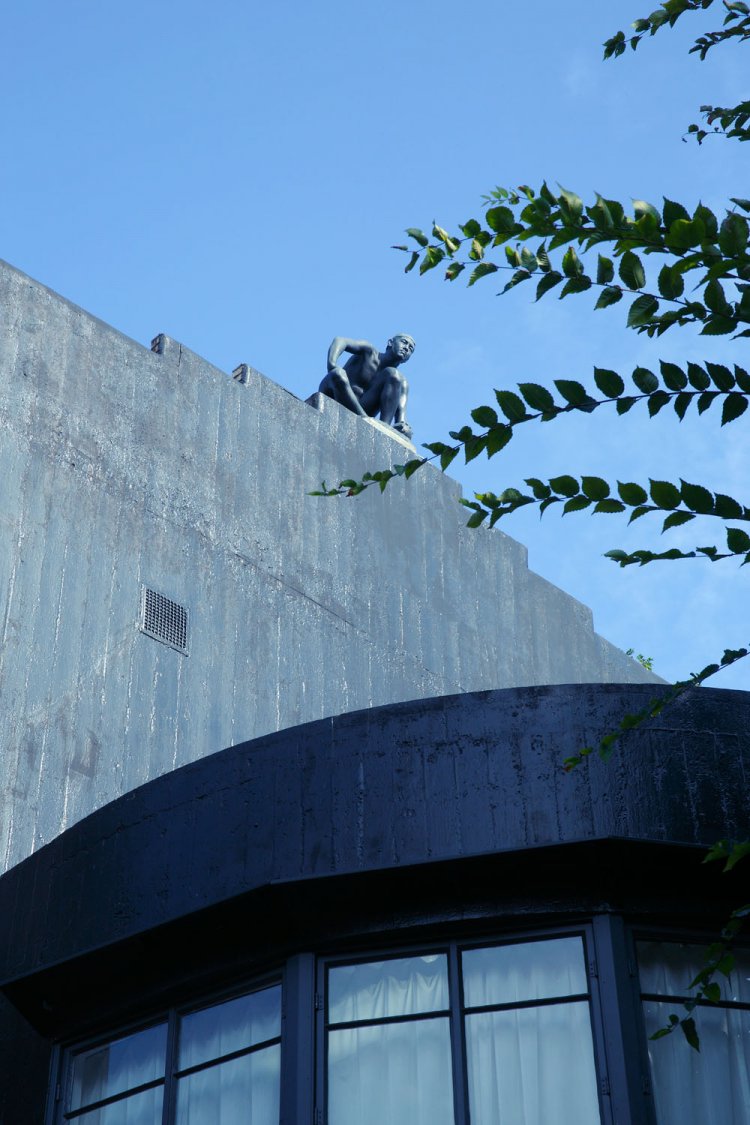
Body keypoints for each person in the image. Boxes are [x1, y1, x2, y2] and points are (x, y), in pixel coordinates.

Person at [318, 334, 415, 439]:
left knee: (394, 374)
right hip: (336, 395)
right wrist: (331, 363)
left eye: (410, 348)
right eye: (404, 342)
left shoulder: (400, 381)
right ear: (390, 343)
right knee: (337, 374)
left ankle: (383, 429)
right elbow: (340, 340)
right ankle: (364, 419)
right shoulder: (368, 351)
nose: (406, 348)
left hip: (364, 411)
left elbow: (401, 422)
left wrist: (404, 429)